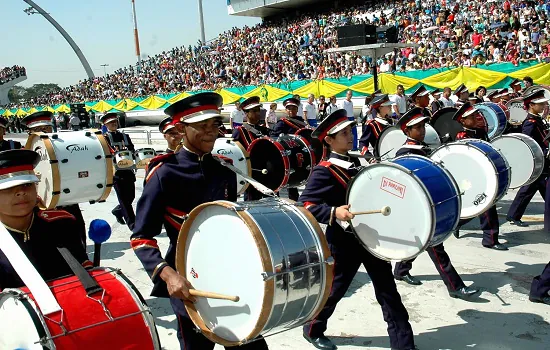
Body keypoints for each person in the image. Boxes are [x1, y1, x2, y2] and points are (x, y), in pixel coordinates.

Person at [131, 92, 269, 350]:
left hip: (231, 274)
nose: (211, 132)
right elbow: (141, 238)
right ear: (182, 129)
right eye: (202, 126)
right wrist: (168, 275)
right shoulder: (164, 173)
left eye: (214, 125)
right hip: (189, 282)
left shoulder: (224, 169)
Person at [300, 110, 416, 350]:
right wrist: (333, 212)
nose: (349, 136)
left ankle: (404, 344)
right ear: (328, 140)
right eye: (342, 133)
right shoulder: (324, 170)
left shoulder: (358, 162)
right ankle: (312, 329)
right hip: (344, 243)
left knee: (388, 293)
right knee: (334, 291)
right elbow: (307, 205)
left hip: (372, 239)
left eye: (349, 131)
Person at [392, 108, 480, 301]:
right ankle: (455, 286)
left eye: (423, 126)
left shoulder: (422, 147)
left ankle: (400, 270)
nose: (422, 130)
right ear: (407, 131)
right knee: (436, 246)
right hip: (418, 209)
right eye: (417, 127)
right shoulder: (405, 153)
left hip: (428, 206)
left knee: (420, 241)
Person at [0, 149, 92, 289]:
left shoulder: (62, 224)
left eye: (27, 184)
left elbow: (84, 271)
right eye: (8, 188)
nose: (21, 192)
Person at [21, 111, 87, 247]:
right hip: (41, 206)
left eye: (46, 129)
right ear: (30, 134)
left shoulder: (65, 148)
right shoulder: (25, 154)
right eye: (38, 130)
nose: (43, 133)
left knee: (77, 235)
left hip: (68, 200)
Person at [452, 102, 508, 250]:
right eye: (471, 117)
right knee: (487, 206)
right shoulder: (462, 137)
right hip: (471, 176)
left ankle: (457, 223)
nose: (476, 118)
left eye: (475, 115)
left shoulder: (480, 132)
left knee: (481, 205)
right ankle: (490, 239)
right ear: (463, 121)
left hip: (484, 173)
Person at [506, 89, 550, 228]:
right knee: (529, 189)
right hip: (538, 161)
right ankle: (513, 215)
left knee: (533, 189)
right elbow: (528, 143)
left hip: (543, 161)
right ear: (531, 105)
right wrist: (544, 152)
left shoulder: (538, 119)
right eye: (540, 104)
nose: (543, 106)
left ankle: (513, 215)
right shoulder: (530, 122)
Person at [232, 96, 271, 201]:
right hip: (251, 173)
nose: (257, 113)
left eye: (258, 110)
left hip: (267, 173)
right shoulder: (239, 131)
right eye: (254, 111)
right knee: (252, 203)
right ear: (246, 113)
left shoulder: (265, 130)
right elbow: (235, 154)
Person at [101, 112, 136, 229]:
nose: (114, 124)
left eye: (115, 122)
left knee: (131, 197)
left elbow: (132, 150)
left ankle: (118, 211)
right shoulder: (104, 139)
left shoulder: (125, 136)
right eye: (111, 123)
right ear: (105, 125)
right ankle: (133, 224)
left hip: (128, 170)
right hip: (116, 172)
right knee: (124, 200)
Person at [270, 97, 308, 201]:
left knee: (301, 178)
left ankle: (300, 200)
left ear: (297, 109)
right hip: (287, 155)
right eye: (289, 108)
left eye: (294, 108)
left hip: (300, 155)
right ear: (286, 110)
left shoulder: (301, 122)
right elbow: (273, 138)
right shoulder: (281, 123)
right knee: (288, 180)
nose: (291, 111)